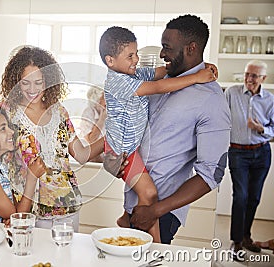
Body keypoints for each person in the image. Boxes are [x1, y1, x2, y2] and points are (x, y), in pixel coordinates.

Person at [99, 26, 217, 242]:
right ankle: (150, 239)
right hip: (129, 170)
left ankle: (145, 234)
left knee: (148, 200)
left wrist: (198, 70)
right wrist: (196, 77)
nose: (136, 60)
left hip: (150, 191)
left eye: (136, 54)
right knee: (148, 197)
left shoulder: (132, 74)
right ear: (111, 61)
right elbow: (160, 86)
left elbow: (160, 73)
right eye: (130, 56)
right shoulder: (122, 81)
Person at [121, 14, 231, 245]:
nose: (162, 54)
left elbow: (212, 173)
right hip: (133, 204)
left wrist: (156, 210)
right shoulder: (161, 81)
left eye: (167, 48)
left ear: (191, 48)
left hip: (159, 214)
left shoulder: (211, 99)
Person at [0, 46, 104, 231]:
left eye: (38, 82)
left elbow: (81, 154)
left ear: (48, 81)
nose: (32, 89)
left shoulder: (59, 111)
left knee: (66, 259)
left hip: (66, 207)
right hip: (27, 210)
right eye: (25, 82)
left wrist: (111, 140)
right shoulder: (7, 113)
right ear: (16, 81)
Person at [225, 60, 274, 257]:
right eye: (247, 74)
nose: (249, 79)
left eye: (254, 76)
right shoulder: (231, 92)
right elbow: (221, 116)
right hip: (238, 153)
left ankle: (246, 237)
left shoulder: (270, 100)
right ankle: (236, 241)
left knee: (253, 198)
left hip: (261, 153)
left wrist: (261, 128)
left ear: (264, 78)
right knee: (241, 196)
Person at [77, 85, 106, 163]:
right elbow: (90, 140)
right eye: (105, 98)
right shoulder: (88, 113)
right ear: (97, 101)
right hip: (92, 158)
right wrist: (102, 119)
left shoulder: (111, 113)